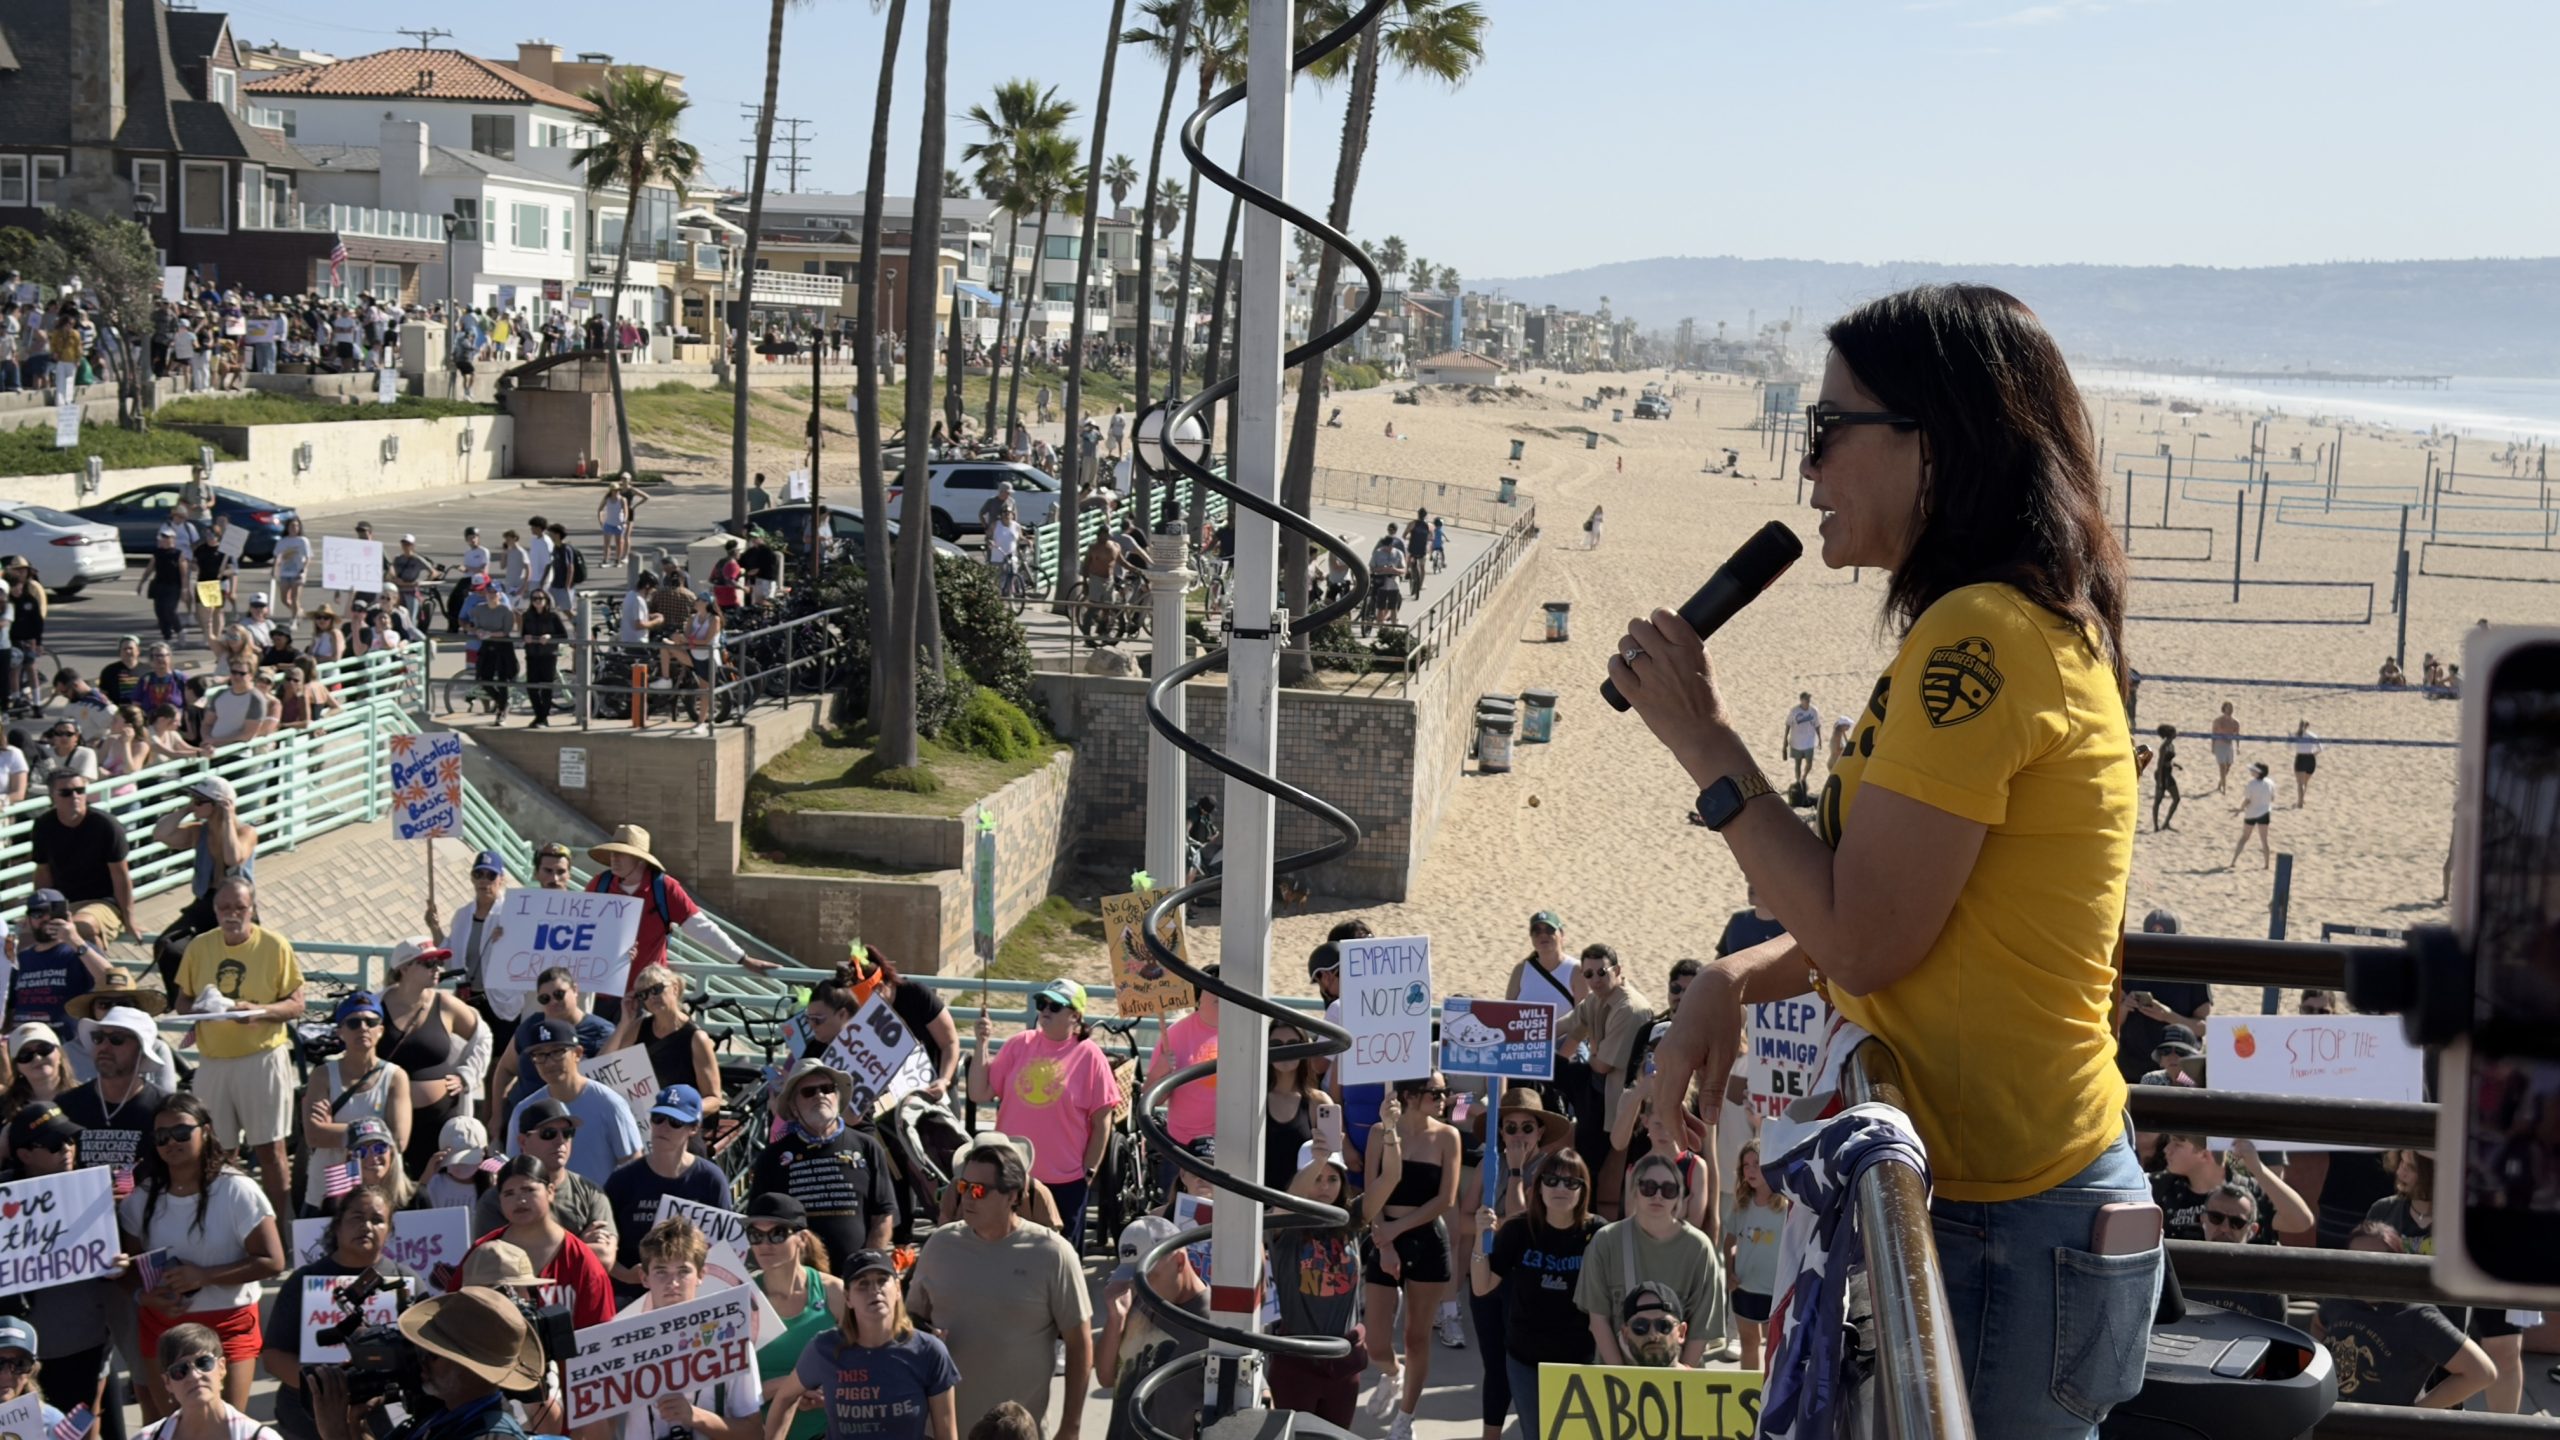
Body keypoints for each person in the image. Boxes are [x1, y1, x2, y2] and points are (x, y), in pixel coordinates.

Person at [1621, 286, 2155, 1439]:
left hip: (2012, 1227)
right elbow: (1898, 913)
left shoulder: (1983, 636)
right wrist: (1735, 978)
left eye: (1826, 432)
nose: (1806, 469)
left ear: (1936, 442)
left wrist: (1705, 744)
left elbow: (1865, 937)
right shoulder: (1986, 627)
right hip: (2009, 1207)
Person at [904, 1141, 1091, 1440]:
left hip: (1016, 1434)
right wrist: (919, 1331)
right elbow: (909, 1320)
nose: (967, 1197)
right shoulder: (939, 1245)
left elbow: (1079, 1343)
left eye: (979, 1190)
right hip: (940, 1430)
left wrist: (1071, 1426)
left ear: (1013, 1196)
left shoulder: (1053, 1253)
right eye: (963, 1186)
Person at [119, 1093, 287, 1416]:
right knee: (175, 1426)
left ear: (206, 1131)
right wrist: (144, 1295)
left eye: (182, 1132)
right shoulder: (140, 1199)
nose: (171, 1142)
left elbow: (273, 1260)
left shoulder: (237, 1190)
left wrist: (205, 1276)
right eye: (162, 1136)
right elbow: (128, 1270)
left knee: (223, 1426)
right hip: (163, 1325)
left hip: (229, 1322)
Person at [174, 878, 303, 1221]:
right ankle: (227, 1224)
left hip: (262, 1057)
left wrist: (259, 1012)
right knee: (217, 1152)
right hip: (214, 1061)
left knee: (271, 1150)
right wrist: (200, 1010)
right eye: (224, 908)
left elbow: (295, 1004)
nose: (232, 915)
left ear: (253, 909)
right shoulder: (200, 947)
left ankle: (283, 1231)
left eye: (239, 908)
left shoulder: (275, 945)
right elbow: (181, 1001)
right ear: (215, 911)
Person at [967, 978, 1123, 1252]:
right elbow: (979, 1093)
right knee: (1006, 1255)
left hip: (1065, 1182)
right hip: (1012, 1177)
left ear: (1075, 1015)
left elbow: (1102, 1122)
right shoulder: (1019, 1044)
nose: (1045, 1011)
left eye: (1055, 1005)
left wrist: (1088, 1173)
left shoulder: (1090, 1056)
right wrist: (981, 1044)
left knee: (1059, 1260)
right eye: (1041, 1004)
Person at [261, 1185, 416, 1440]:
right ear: (337, 1226)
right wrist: (327, 1391)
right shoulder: (303, 1280)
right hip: (306, 1423)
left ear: (389, 1232)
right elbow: (273, 1358)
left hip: (387, 1422)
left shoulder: (404, 1282)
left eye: (377, 1220)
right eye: (357, 1217)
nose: (366, 1226)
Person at [304, 1286, 547, 1440]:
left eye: (432, 1353)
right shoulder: (441, 1413)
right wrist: (354, 1427)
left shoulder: (491, 1436)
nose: (421, 1361)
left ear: (472, 1370)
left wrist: (335, 1435)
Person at [763, 1246, 957, 1440]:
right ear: (847, 1298)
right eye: (862, 1284)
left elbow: (946, 1429)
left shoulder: (929, 1351)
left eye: (882, 1280)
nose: (874, 1290)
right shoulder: (825, 1348)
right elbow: (785, 1398)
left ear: (897, 1289)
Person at [1359, 1075, 1460, 1440]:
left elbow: (1445, 1199)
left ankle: (1405, 1420)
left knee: (1417, 1336)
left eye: (1446, 1092)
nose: (1444, 1099)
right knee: (1376, 1343)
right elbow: (1372, 1193)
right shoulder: (1378, 1133)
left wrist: (1395, 1232)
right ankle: (1392, 1373)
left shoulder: (1448, 1136)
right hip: (1384, 1233)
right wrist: (1384, 1242)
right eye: (1436, 1093)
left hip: (1426, 1237)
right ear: (1408, 1095)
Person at [1474, 1146, 1598, 1435]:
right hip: (1526, 1359)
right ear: (1538, 1187)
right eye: (1551, 1180)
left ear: (1583, 1190)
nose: (1561, 1188)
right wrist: (1481, 1238)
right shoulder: (1518, 1230)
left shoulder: (1597, 1234)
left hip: (1579, 1359)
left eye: (1571, 1182)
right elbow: (1482, 1287)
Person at [584, 825, 762, 1020]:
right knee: (606, 1050)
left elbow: (701, 927)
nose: (614, 858)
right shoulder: (599, 884)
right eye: (613, 853)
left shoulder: (664, 887)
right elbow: (581, 930)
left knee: (642, 1051)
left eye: (622, 853)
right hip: (603, 995)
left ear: (640, 859)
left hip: (647, 996)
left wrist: (742, 958)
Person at [1573, 1151, 1726, 1369]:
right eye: (1648, 1187)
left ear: (1680, 1197)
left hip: (1679, 1375)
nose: (1658, 1196)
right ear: (1634, 1191)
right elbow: (1598, 1319)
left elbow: (1701, 1327)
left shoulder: (1699, 1247)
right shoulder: (1605, 1242)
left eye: (1669, 1190)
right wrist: (1623, 1377)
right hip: (1618, 1379)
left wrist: (1679, 1381)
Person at [2316, 1223, 2493, 1409]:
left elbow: (2481, 1372)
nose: (2364, 1271)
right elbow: (2319, 1323)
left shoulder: (2417, 1317)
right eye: (2356, 1261)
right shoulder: (2339, 1300)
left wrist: (2416, 1414)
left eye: (2376, 1264)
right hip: (2332, 1418)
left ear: (2395, 1265)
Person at [612, 1219, 760, 1440]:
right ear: (644, 1277)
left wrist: (695, 1417)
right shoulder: (617, 1345)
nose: (673, 1282)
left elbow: (755, 1432)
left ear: (701, 1275)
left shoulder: (732, 1341)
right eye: (661, 1271)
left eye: (683, 1271)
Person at [748, 1059, 897, 1266]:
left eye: (827, 1089)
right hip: (799, 1280)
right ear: (793, 1106)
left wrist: (865, 1266)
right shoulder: (772, 1157)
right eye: (809, 1092)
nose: (820, 1095)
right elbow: (760, 1222)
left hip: (852, 1278)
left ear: (837, 1096)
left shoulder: (867, 1147)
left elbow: (882, 1215)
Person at [1265, 1149, 1368, 1427]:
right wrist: (1321, 1157)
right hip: (1297, 1361)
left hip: (1343, 1361)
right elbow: (1288, 1199)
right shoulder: (1285, 1222)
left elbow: (1391, 1179)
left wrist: (1390, 1132)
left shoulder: (1351, 1220)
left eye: (1333, 1178)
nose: (1324, 1186)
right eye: (1317, 1177)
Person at [602, 1086, 729, 1294]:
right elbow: (601, 1242)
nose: (663, 1127)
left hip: (690, 1296)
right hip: (629, 1296)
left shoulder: (710, 1179)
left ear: (694, 1128)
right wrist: (625, 1274)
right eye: (658, 1118)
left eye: (675, 1122)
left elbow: (726, 1248)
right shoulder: (623, 1179)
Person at [378, 937, 484, 1179]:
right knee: (391, 1187)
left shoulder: (445, 1004)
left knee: (436, 1191)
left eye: (439, 963)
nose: (437, 969)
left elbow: (483, 1036)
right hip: (388, 1119)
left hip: (440, 1121)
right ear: (404, 968)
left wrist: (467, 1075)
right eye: (428, 964)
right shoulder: (377, 1005)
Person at [1096, 1216, 1210, 1440]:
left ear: (1179, 1261)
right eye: (1135, 1278)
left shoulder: (1212, 1323)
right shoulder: (1137, 1300)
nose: (1140, 1287)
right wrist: (1115, 1320)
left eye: (1149, 1276)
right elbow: (1106, 1377)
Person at [297, 992, 411, 1217]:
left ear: (381, 1029)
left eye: (371, 1022)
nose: (363, 1027)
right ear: (340, 1031)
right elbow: (314, 1135)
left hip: (377, 1197)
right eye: (353, 1022)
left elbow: (398, 1140)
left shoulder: (396, 1077)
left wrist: (338, 1130)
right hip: (326, 1193)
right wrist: (377, 1132)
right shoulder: (322, 1076)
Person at [469, 1154, 614, 1329]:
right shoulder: (480, 1254)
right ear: (499, 1200)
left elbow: (602, 1336)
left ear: (551, 1191)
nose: (520, 1200)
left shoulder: (581, 1260)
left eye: (528, 1190)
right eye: (509, 1193)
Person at [1555, 945, 1650, 1201]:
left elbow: (1602, 1065)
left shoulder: (1629, 1009)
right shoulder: (1597, 999)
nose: (1595, 980)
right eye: (1588, 974)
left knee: (1598, 1169)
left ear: (1617, 971)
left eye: (1601, 972)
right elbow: (1567, 1026)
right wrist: (1524, 1036)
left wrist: (1587, 1053)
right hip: (1597, 1085)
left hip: (1616, 1099)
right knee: (1542, 1068)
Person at [747, 1194, 843, 1440]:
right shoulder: (739, 1299)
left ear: (801, 1238)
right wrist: (790, 1387)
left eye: (777, 1233)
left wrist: (830, 1390)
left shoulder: (835, 1293)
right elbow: (727, 1392)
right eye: (755, 1235)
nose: (764, 1244)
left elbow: (868, 1362)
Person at [504, 1016, 642, 1184]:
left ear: (577, 1054)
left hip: (597, 1208)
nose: (548, 1063)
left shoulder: (610, 1104)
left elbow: (632, 1164)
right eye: (540, 1055)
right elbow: (515, 1169)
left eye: (557, 1052)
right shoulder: (523, 1110)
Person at [472, 1098, 613, 1243]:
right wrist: (579, 1246)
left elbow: (605, 1255)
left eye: (567, 1133)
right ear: (523, 1141)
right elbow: (495, 1260)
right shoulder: (497, 1200)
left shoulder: (590, 1192)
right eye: (548, 1133)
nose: (560, 1141)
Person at [486, 969, 616, 1121]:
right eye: (545, 998)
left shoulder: (602, 1032)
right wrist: (497, 1117)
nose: (553, 1001)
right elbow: (505, 1069)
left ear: (575, 990)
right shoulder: (530, 1026)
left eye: (559, 994)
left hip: (570, 1127)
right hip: (521, 1122)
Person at [608, 966, 725, 1117]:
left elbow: (714, 1099)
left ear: (675, 988)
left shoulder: (696, 1038)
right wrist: (624, 1022)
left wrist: (680, 1110)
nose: (651, 997)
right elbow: (606, 1063)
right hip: (643, 1119)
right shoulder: (639, 1026)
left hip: (678, 1124)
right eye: (643, 994)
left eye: (656, 989)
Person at [2115, 910, 2210, 1089]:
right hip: (2131, 1064)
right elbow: (2112, 1023)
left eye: (2166, 943)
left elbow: (2202, 1027)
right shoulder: (2131, 963)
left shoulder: (2193, 971)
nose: (2159, 950)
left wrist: (2167, 1016)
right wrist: (2125, 1007)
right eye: (2152, 943)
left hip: (2177, 1069)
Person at [1726, 1141, 1786, 1370]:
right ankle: (1749, 1397)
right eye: (1746, 1165)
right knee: (1749, 1342)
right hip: (1745, 1289)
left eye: (1757, 1164)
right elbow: (1729, 1242)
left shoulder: (1786, 1206)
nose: (1750, 1170)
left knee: (1776, 1346)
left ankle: (1772, 1397)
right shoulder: (1741, 1205)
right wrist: (1730, 1272)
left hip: (1776, 1292)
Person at [1610, 1283, 1689, 1368]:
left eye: (1663, 1325)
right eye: (1640, 1326)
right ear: (1625, 1335)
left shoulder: (1701, 1380)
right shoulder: (1597, 1381)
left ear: (1681, 1332)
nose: (1653, 1335)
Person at [2230, 761, 2276, 870]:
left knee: (2244, 837)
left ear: (2258, 773)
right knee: (2264, 840)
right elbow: (2273, 798)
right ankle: (2266, 864)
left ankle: (2233, 861)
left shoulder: (2251, 784)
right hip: (2264, 812)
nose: (2251, 771)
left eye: (2253, 770)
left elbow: (2247, 800)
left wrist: (2239, 810)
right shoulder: (2270, 783)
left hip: (2251, 814)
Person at [1783, 692, 1822, 790]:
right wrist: (1785, 740)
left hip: (1809, 742)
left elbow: (1817, 725)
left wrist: (1820, 738)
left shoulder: (1814, 711)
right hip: (1796, 742)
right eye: (1806, 699)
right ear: (1801, 700)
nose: (1808, 701)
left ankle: (1804, 777)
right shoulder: (1794, 711)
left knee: (1809, 763)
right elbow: (1788, 725)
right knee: (1798, 763)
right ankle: (1798, 781)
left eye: (1809, 699)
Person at [2151, 723, 2181, 831]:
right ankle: (2156, 826)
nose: (2176, 734)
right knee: (2158, 800)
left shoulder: (2171, 745)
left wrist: (2176, 765)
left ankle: (2166, 823)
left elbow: (2168, 760)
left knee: (2176, 799)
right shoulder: (2164, 747)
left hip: (2168, 773)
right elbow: (2160, 763)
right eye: (2174, 732)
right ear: (2170, 734)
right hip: (2163, 774)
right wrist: (2159, 781)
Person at [2291, 719, 2323, 808]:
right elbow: (2320, 749)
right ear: (2308, 726)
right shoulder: (2313, 736)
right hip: (2310, 759)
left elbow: (2289, 743)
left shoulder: (2296, 736)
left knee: (2300, 783)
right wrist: (2313, 754)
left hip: (2301, 758)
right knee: (2305, 782)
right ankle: (2302, 800)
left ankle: (2300, 803)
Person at [2210, 701, 2239, 793]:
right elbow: (2213, 734)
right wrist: (2213, 746)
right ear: (2224, 709)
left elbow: (2237, 735)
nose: (2230, 710)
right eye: (2228, 708)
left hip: (2229, 744)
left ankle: (2221, 782)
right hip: (2219, 744)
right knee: (2222, 766)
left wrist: (2238, 747)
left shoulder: (2235, 722)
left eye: (2231, 708)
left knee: (2228, 766)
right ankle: (2223, 787)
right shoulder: (2218, 721)